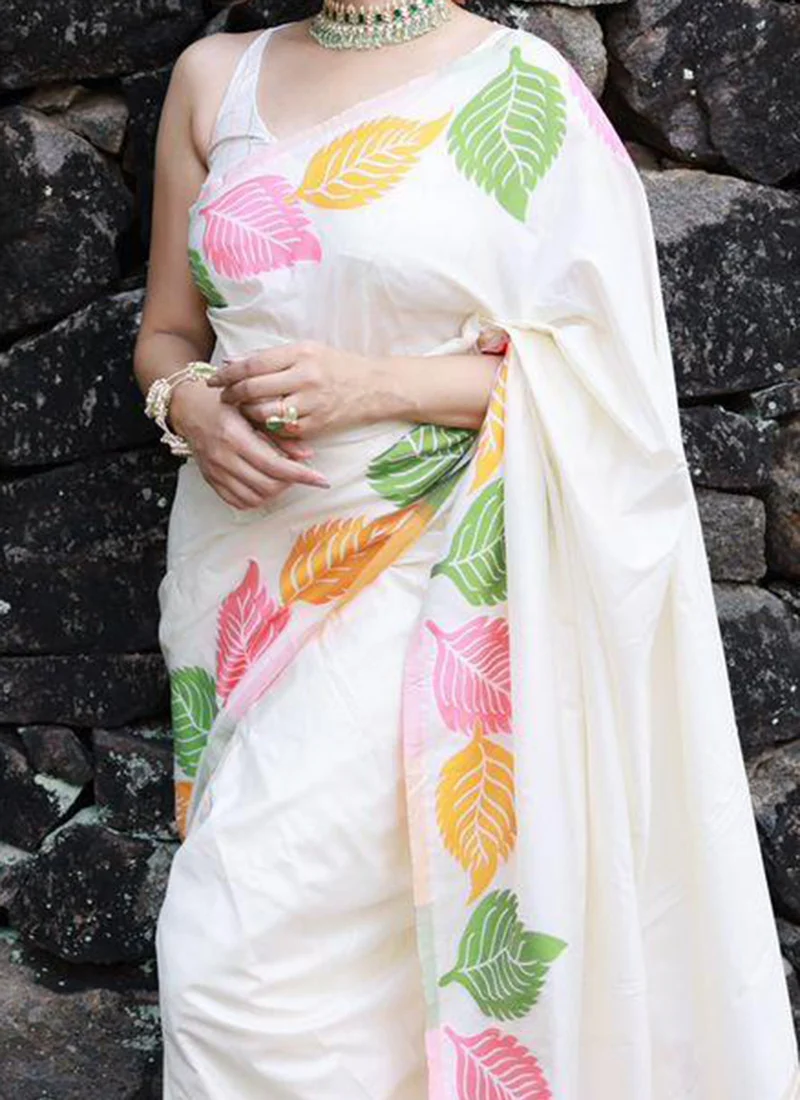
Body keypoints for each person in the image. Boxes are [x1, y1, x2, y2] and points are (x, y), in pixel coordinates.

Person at [132, 2, 800, 1097]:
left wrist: (373, 386)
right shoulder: (217, 80)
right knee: (329, 988)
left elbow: (608, 381)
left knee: (239, 968)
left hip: (443, 575)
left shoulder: (519, 90)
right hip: (254, 580)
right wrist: (188, 405)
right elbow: (168, 332)